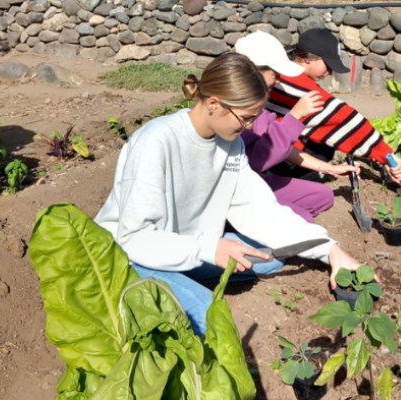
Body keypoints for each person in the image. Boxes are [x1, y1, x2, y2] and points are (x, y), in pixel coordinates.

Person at [94, 53, 368, 336]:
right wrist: (208, 249)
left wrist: (330, 249)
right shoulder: (156, 141)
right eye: (246, 118)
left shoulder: (230, 146)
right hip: (131, 255)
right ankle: (144, 290)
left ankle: (176, 280)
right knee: (209, 319)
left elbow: (263, 210)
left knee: (269, 257)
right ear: (214, 103)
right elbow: (134, 237)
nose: (248, 127)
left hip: (186, 245)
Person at [235, 32, 359, 222]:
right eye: (275, 75)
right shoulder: (236, 112)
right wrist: (295, 116)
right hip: (239, 187)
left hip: (259, 177)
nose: (278, 81)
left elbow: (282, 148)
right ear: (254, 72)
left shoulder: (260, 109)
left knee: (322, 197)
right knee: (301, 219)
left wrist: (328, 168)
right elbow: (261, 159)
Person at [266, 28, 401, 183]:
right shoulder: (290, 78)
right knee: (326, 143)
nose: (330, 72)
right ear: (309, 58)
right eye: (328, 64)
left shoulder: (282, 65)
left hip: (265, 141)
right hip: (264, 151)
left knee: (326, 140)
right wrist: (387, 155)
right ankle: (275, 178)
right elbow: (340, 117)